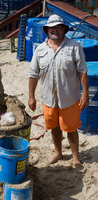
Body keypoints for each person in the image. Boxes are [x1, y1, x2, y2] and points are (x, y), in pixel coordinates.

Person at [28, 14, 89, 170]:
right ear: (47, 30)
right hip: (48, 98)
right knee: (54, 127)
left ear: (63, 29)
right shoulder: (40, 50)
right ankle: (58, 152)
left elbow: (82, 72)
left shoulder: (75, 47)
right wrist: (31, 97)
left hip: (69, 98)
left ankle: (76, 158)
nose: (54, 30)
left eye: (57, 27)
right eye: (51, 28)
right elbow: (33, 74)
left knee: (71, 129)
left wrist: (85, 94)